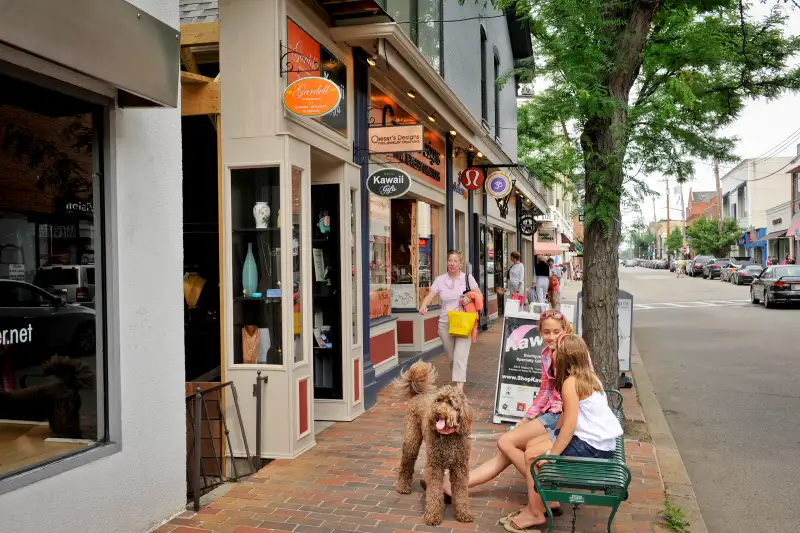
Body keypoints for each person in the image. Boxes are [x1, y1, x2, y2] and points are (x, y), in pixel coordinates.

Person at [439, 310, 574, 507]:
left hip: (560, 416)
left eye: (556, 331)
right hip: (551, 413)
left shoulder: (570, 351)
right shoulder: (546, 354)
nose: (551, 336)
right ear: (540, 332)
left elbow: (580, 389)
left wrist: (532, 419)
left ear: (565, 329)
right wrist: (527, 419)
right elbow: (545, 391)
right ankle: (457, 485)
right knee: (508, 449)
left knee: (506, 442)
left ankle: (547, 495)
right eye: (546, 332)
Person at [506, 335, 623, 532]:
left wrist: (552, 455)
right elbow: (565, 417)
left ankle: (535, 512)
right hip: (598, 442)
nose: (551, 353)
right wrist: (549, 436)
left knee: (533, 456)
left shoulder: (571, 382)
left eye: (555, 351)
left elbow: (569, 425)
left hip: (592, 447)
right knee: (534, 444)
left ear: (565, 358)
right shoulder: (589, 377)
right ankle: (545, 501)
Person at [419, 250, 482, 393]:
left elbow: (479, 294)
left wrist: (470, 297)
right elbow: (431, 295)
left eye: (455, 261)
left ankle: (459, 387)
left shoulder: (468, 278)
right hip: (445, 322)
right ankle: (457, 375)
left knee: (461, 354)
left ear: (460, 263)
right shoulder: (440, 279)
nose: (452, 263)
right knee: (451, 356)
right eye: (450, 260)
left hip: (463, 321)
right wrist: (424, 304)